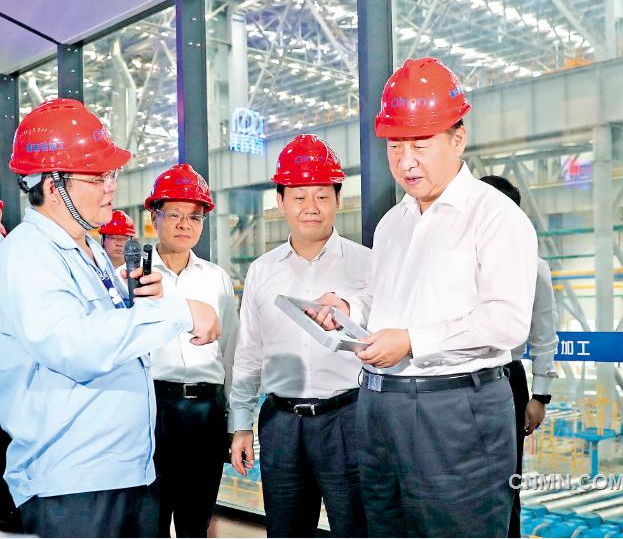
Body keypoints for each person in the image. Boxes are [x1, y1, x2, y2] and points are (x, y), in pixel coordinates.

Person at [313, 58, 538, 537]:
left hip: (456, 412)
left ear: (458, 139)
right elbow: (380, 296)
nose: (405, 161)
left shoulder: (494, 217)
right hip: (379, 409)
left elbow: (507, 321)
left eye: (420, 144)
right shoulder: (393, 223)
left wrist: (414, 340)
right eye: (395, 146)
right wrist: (349, 308)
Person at [0, 98, 221, 538]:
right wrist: (178, 312)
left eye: (111, 174)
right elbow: (74, 345)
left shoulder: (89, 250)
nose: (110, 188)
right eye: (97, 177)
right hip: (74, 484)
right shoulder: (27, 254)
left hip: (124, 473)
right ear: (53, 185)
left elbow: (106, 333)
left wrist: (141, 304)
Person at [230, 135, 370, 537]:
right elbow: (249, 352)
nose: (311, 207)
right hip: (281, 424)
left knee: (356, 528)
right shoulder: (262, 270)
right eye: (299, 197)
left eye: (322, 196)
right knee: (286, 530)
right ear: (280, 201)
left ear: (338, 199)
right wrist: (241, 424)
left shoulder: (367, 264)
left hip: (347, 418)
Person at [139, 163, 239, 538]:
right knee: (150, 520)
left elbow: (232, 350)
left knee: (196, 521)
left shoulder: (216, 278)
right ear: (154, 216)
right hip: (152, 411)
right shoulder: (132, 278)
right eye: (175, 215)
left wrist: (236, 421)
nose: (185, 224)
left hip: (205, 413)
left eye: (194, 217)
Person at [479, 175, 559, 538]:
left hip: (506, 377)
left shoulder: (532, 266)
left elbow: (544, 333)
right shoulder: (454, 262)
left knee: (505, 481)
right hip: (453, 382)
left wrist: (540, 395)